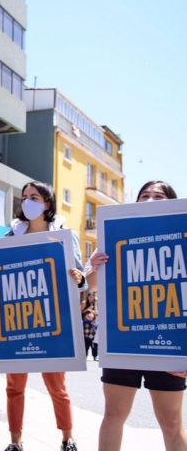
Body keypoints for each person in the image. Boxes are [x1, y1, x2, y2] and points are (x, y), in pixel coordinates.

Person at [0, 181, 85, 451]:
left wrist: (78, 277)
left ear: (47, 203)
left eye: (34, 197)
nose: (27, 202)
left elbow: (80, 277)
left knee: (57, 386)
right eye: (24, 197)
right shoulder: (12, 234)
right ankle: (15, 442)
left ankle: (67, 438)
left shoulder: (63, 234)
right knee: (14, 386)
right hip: (17, 319)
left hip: (52, 319)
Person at [95, 180, 187, 451]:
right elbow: (94, 285)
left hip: (169, 345)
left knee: (171, 422)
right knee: (113, 415)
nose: (150, 199)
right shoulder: (114, 237)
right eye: (144, 195)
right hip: (124, 343)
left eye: (158, 196)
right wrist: (95, 268)